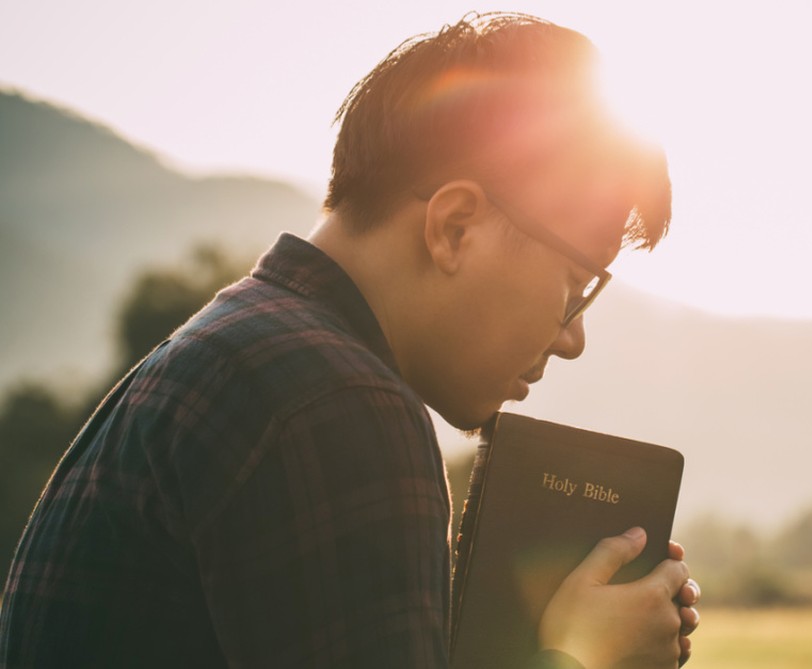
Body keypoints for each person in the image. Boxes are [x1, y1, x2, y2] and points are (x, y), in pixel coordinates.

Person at [0, 11, 699, 668]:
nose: (573, 338)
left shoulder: (242, 353)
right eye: (576, 286)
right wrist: (578, 654)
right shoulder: (337, 401)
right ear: (455, 226)